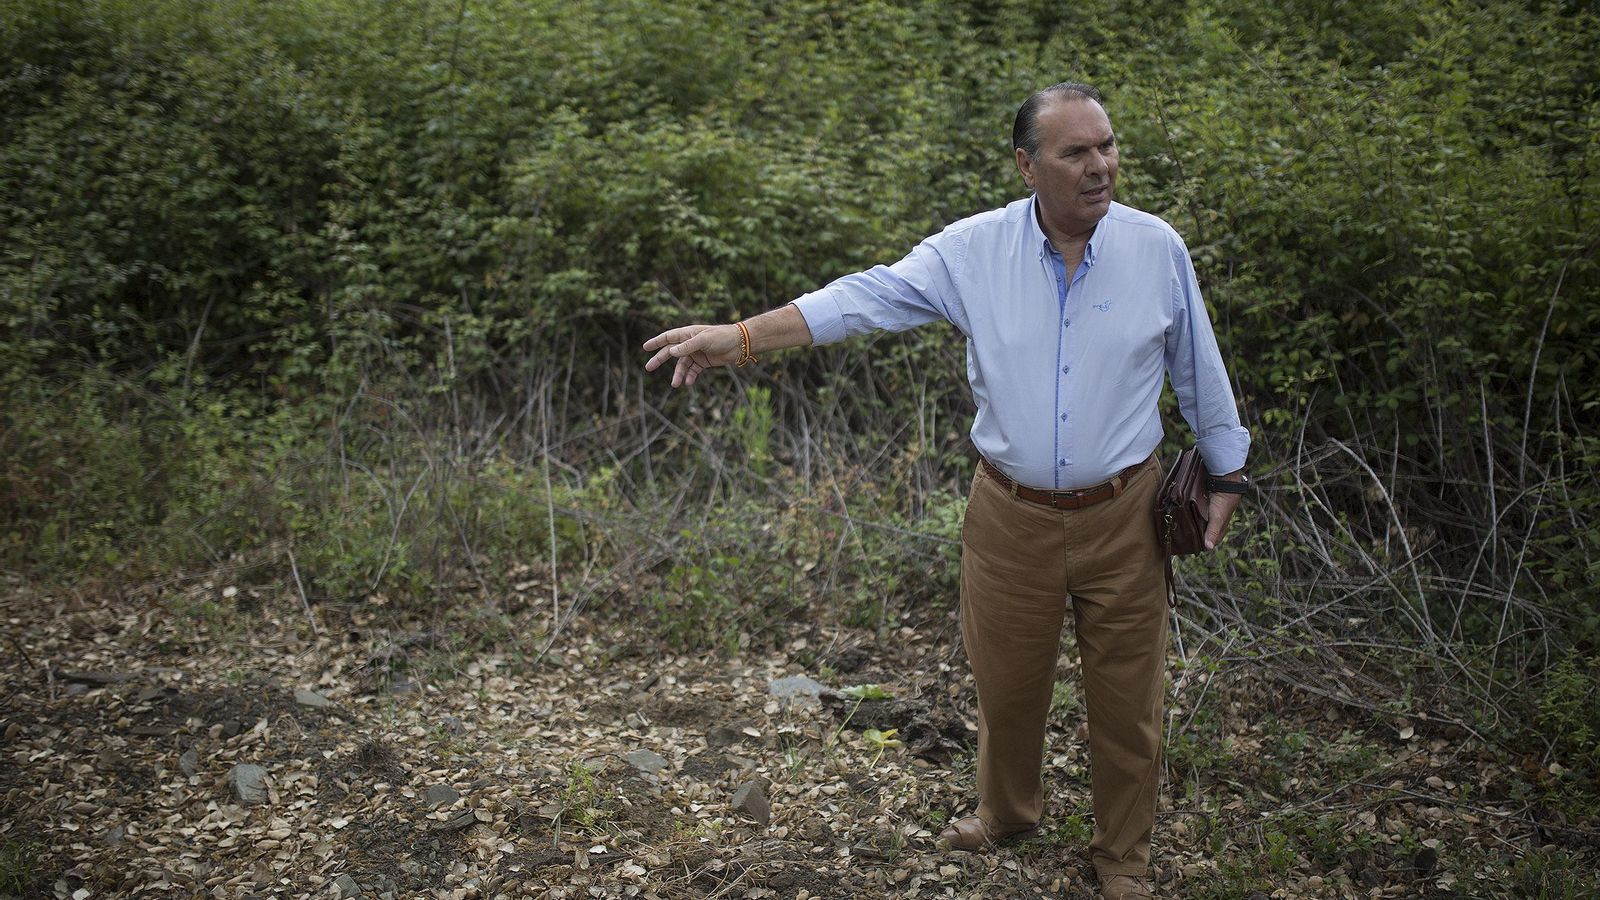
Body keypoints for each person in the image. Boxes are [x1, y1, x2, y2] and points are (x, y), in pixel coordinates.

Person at [642, 83, 1249, 900]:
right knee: (1006, 686)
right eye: (1077, 152)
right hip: (1009, 516)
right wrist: (741, 338)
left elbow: (1199, 370)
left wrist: (1226, 469)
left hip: (1124, 516)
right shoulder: (972, 252)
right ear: (1027, 165)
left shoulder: (1155, 248)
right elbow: (859, 299)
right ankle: (1008, 813)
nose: (1101, 166)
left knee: (1128, 702)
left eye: (1107, 146)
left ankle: (1123, 859)